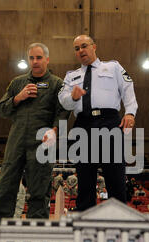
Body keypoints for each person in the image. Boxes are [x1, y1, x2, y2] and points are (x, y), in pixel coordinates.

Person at [0, 42, 69, 242]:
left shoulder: (57, 84)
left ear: (47, 59)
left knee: (38, 193)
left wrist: (55, 131)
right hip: (16, 143)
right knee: (5, 190)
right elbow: (2, 109)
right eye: (32, 58)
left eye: (39, 58)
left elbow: (64, 113)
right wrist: (18, 98)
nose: (35, 62)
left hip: (42, 144)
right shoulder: (17, 82)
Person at [58, 35, 138, 211]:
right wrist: (72, 96)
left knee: (115, 177)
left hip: (110, 122)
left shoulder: (113, 67)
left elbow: (127, 89)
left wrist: (130, 112)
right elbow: (63, 100)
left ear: (94, 47)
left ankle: (118, 225)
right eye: (77, 48)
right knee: (85, 180)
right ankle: (85, 226)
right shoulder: (71, 76)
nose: (80, 51)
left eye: (84, 46)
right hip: (83, 125)